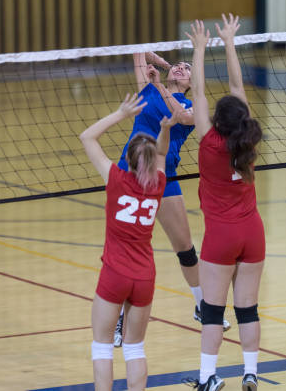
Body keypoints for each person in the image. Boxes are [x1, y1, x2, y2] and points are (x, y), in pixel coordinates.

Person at [115, 52, 230, 346]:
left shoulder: (194, 107)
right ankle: (117, 318)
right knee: (126, 251)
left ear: (192, 83)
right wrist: (166, 65)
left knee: (186, 248)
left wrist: (163, 82)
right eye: (178, 66)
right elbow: (138, 49)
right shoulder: (149, 86)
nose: (181, 68)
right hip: (130, 174)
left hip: (164, 177)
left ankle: (202, 305)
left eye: (187, 68)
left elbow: (180, 116)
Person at [183, 14, 265, 391]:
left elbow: (197, 93)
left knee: (213, 312)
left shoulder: (208, 143)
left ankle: (207, 378)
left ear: (218, 122)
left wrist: (200, 48)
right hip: (253, 233)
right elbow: (236, 84)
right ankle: (250, 372)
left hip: (221, 237)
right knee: (247, 308)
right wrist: (230, 41)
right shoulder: (247, 141)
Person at [79, 93, 178, 391]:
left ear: (129, 160)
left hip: (115, 273)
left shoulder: (116, 178)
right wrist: (166, 128)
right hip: (144, 275)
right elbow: (161, 153)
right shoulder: (159, 184)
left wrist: (122, 113)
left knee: (102, 346)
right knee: (135, 348)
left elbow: (87, 137)